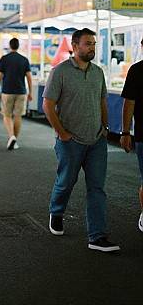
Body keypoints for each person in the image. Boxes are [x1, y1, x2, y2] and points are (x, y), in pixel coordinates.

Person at [43, 28, 119, 252]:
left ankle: (97, 236)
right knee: (66, 182)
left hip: (96, 141)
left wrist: (105, 128)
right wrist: (62, 132)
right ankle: (56, 212)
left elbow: (103, 101)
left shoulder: (98, 72)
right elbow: (48, 104)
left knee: (97, 188)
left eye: (94, 44)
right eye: (88, 44)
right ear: (75, 46)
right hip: (70, 141)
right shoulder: (60, 72)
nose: (92, 47)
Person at [120, 37, 143, 233]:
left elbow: (129, 104)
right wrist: (125, 132)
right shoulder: (136, 70)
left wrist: (126, 132)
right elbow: (129, 103)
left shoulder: (136, 70)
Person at [0, 38, 32, 150]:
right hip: (21, 92)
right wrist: (30, 92)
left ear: (10, 46)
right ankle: (14, 140)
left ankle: (11, 136)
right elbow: (29, 77)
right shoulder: (24, 60)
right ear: (18, 46)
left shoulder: (4, 59)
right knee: (18, 116)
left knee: (6, 115)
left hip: (7, 91)